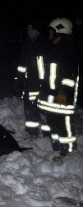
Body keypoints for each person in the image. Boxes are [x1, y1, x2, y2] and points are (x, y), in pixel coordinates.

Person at [36, 18, 79, 156]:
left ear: (59, 31)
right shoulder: (51, 46)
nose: (49, 32)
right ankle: (57, 144)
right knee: (52, 120)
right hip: (50, 93)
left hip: (63, 95)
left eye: (52, 30)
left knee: (64, 123)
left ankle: (69, 149)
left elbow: (70, 74)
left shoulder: (68, 48)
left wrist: (65, 92)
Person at [12, 20, 47, 138]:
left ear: (38, 31)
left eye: (32, 29)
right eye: (28, 29)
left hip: (43, 83)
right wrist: (18, 80)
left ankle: (47, 135)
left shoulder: (45, 45)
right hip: (29, 82)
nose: (29, 31)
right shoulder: (26, 45)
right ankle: (32, 132)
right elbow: (22, 65)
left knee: (44, 109)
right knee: (29, 107)